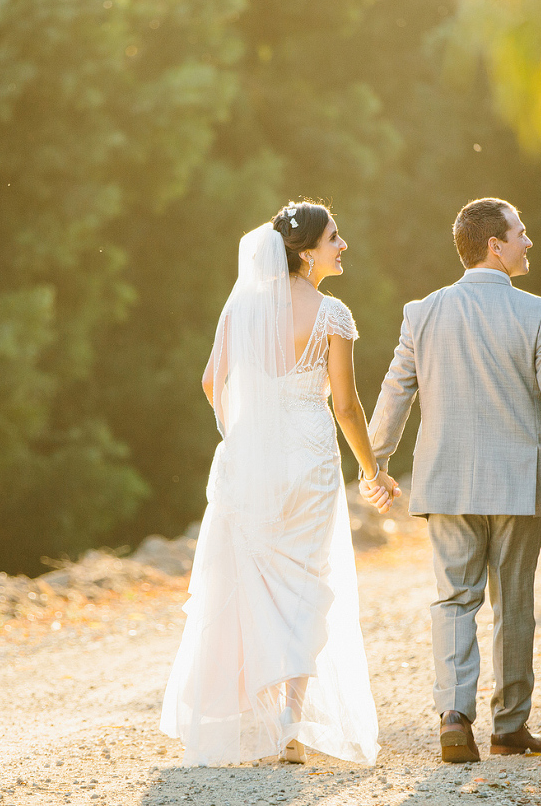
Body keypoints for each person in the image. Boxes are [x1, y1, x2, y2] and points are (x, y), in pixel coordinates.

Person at [361, 197, 541, 763]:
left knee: (453, 599)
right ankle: (509, 725)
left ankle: (454, 719)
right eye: (521, 233)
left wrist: (375, 463)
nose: (529, 242)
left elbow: (395, 391)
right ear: (494, 245)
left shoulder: (421, 312)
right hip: (518, 486)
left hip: (447, 482)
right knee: (514, 602)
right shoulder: (538, 314)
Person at [160, 202, 395, 767]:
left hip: (250, 458)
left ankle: (253, 714)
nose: (343, 246)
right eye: (335, 238)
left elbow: (212, 380)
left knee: (249, 581)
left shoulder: (242, 307)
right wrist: (372, 469)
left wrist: (249, 422)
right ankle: (289, 722)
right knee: (303, 584)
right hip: (310, 461)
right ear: (307, 250)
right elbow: (344, 403)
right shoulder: (332, 314)